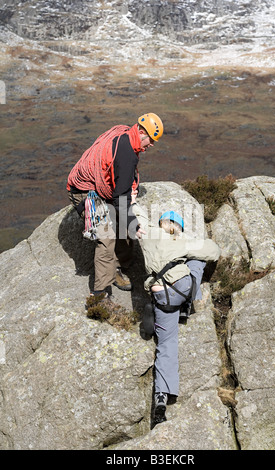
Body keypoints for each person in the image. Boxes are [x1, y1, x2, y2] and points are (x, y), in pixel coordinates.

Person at [131, 202, 221, 425]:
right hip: (181, 290)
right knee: (197, 261)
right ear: (177, 227)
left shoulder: (149, 234)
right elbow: (213, 251)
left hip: (161, 296)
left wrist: (133, 201)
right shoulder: (181, 240)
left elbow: (139, 216)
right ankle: (190, 304)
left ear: (160, 223)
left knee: (166, 345)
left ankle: (161, 398)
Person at [66, 113, 163, 296]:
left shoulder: (125, 133)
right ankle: (101, 293)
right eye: (151, 140)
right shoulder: (126, 155)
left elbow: (121, 185)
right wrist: (133, 224)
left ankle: (119, 265)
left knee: (123, 219)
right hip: (83, 192)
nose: (151, 145)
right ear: (141, 132)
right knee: (107, 236)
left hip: (97, 186)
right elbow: (120, 198)